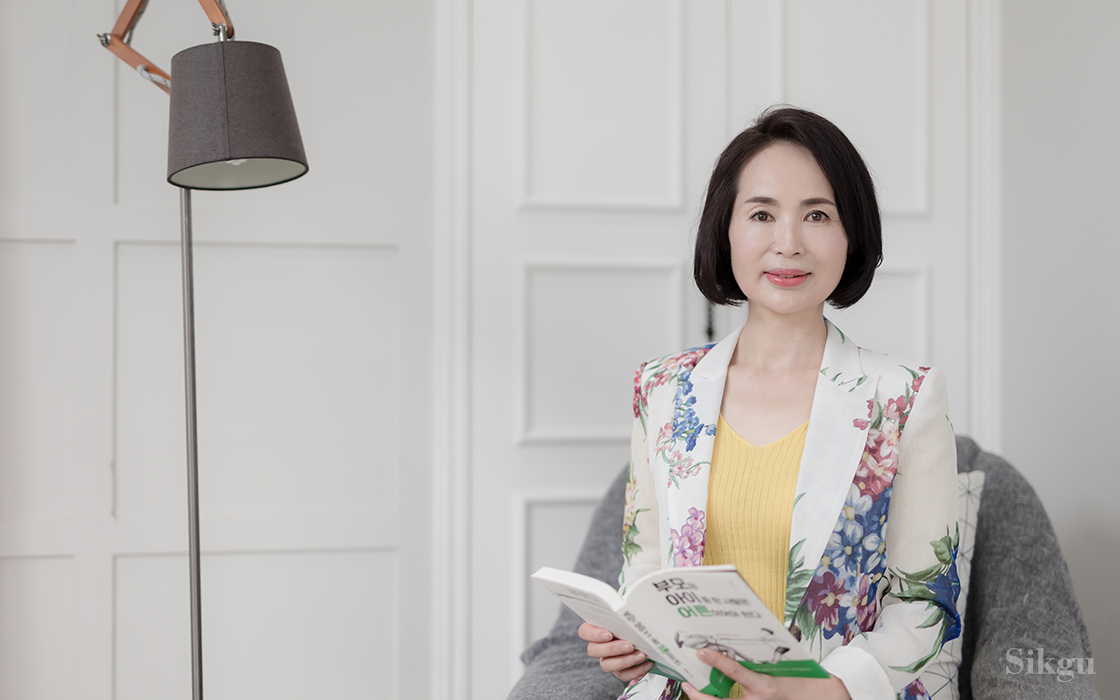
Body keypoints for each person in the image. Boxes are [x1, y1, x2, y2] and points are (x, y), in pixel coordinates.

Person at [578, 107, 961, 700]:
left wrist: (825, 689)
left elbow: (925, 608)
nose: (788, 243)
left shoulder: (905, 397)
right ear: (725, 231)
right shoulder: (662, 388)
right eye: (762, 214)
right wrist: (629, 641)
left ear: (851, 234)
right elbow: (646, 575)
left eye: (817, 215)